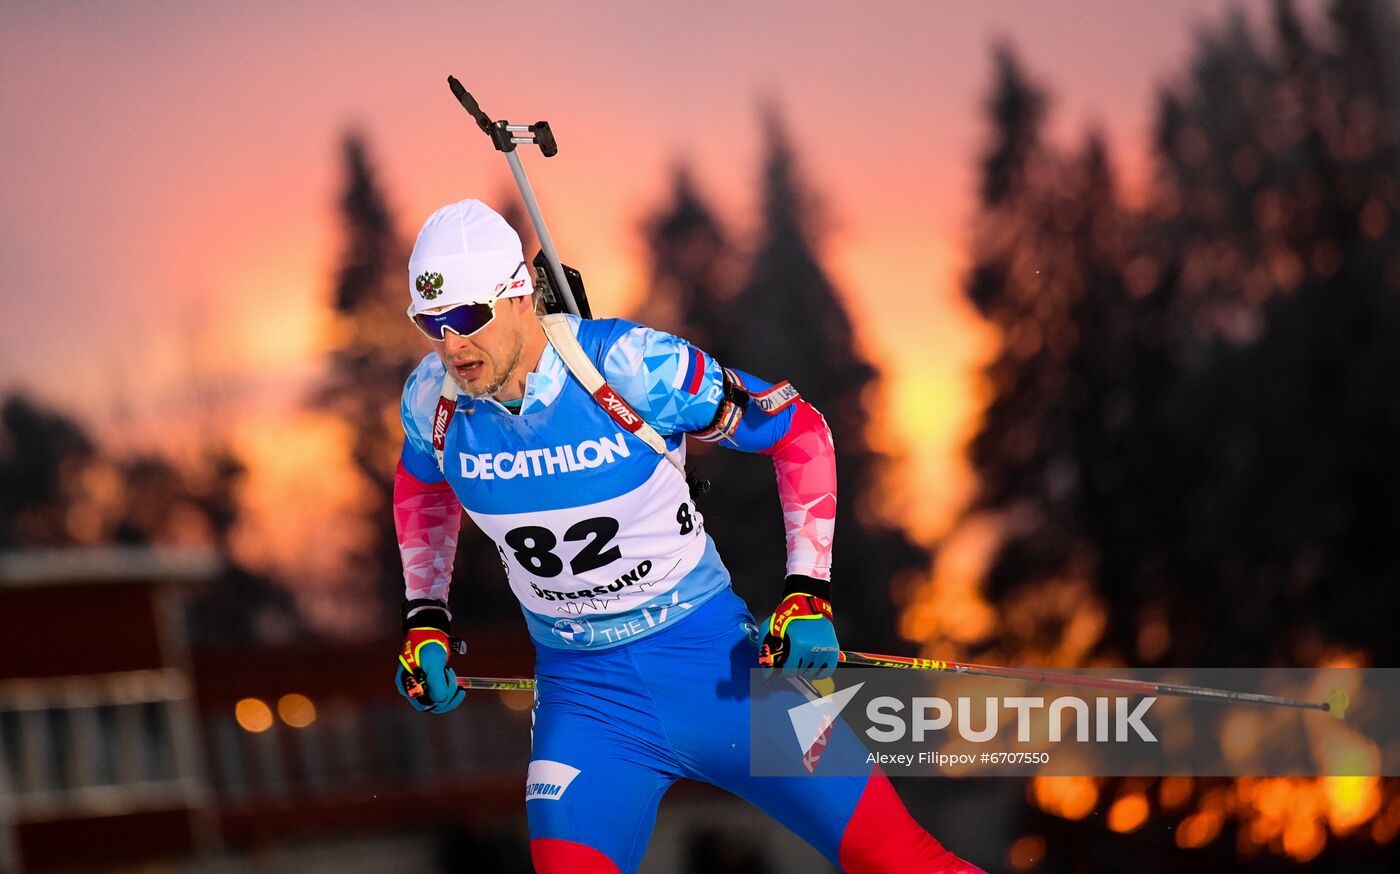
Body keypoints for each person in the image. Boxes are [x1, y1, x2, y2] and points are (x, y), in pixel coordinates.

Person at [392, 199, 983, 873]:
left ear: (520, 294)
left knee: (899, 861)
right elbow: (421, 488)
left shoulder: (629, 367)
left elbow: (799, 431)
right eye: (429, 322)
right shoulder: (430, 401)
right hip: (585, 700)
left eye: (467, 317)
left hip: (716, 669)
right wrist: (426, 620)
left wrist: (807, 591)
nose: (451, 344)